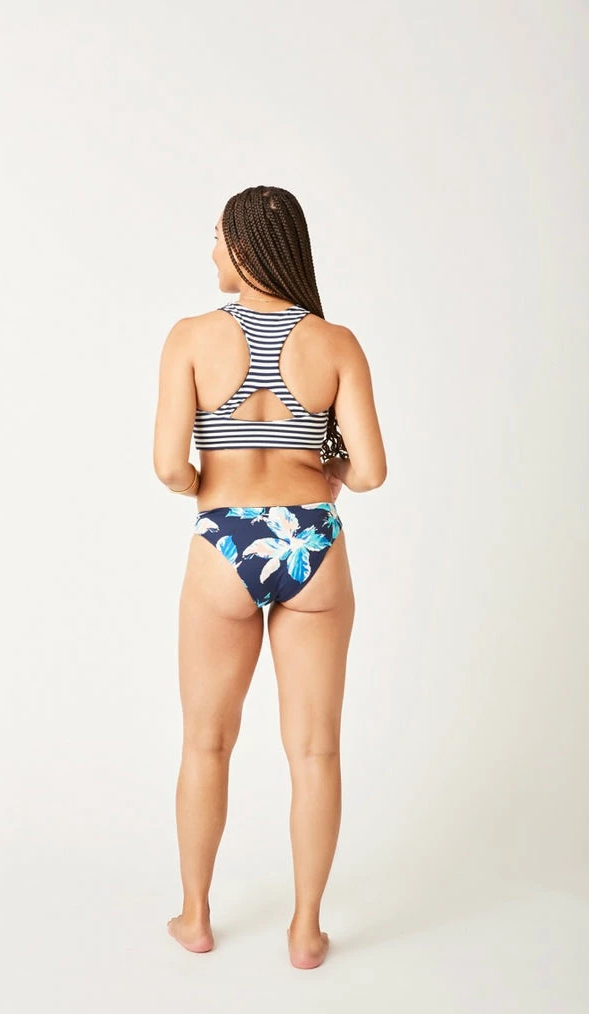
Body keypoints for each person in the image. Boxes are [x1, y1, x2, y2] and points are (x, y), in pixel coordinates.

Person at [152, 185, 387, 969]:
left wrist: (206, 487)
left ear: (245, 248)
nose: (211, 251)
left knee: (206, 742)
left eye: (218, 237)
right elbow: (371, 472)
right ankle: (307, 930)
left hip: (224, 543)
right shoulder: (335, 343)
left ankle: (195, 916)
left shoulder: (190, 337)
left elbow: (168, 466)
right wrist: (324, 476)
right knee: (316, 751)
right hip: (310, 543)